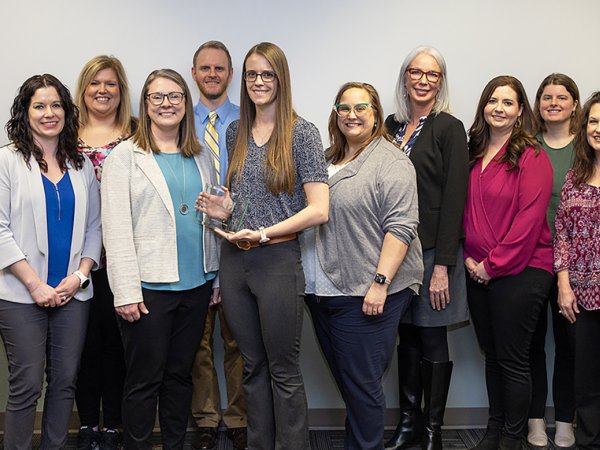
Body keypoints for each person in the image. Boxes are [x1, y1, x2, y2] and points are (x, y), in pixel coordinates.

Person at [198, 42, 329, 450]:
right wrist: (226, 210)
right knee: (252, 367)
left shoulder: (302, 132)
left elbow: (319, 209)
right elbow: (247, 207)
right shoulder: (236, 131)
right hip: (237, 261)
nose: (258, 82)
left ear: (281, 79)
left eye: (267, 74)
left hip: (277, 260)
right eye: (252, 74)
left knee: (283, 371)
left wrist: (265, 233)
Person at [101, 68, 220, 450]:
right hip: (148, 290)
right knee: (143, 381)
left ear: (186, 104)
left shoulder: (200, 155)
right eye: (158, 97)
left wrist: (215, 279)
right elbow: (115, 228)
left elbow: (208, 219)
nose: (167, 104)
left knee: (180, 376)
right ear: (146, 104)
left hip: (196, 285)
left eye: (175, 97)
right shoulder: (125, 156)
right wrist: (124, 291)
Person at [303, 81, 423, 450]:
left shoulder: (392, 162)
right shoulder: (325, 160)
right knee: (351, 384)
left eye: (361, 108)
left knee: (362, 386)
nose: (351, 115)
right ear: (335, 114)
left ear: (375, 115)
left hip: (364, 291)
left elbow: (401, 227)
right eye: (344, 108)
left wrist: (380, 283)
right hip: (323, 292)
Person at [0, 74, 102, 449]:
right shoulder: (7, 161)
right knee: (26, 384)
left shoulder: (81, 164)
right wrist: (34, 284)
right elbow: (0, 230)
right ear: (25, 113)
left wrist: (79, 276)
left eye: (56, 105)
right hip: (20, 294)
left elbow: (95, 227)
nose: (49, 113)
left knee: (64, 382)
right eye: (39, 106)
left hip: (72, 294)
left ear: (66, 110)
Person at [384, 46, 469, 450]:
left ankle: (432, 431)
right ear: (405, 78)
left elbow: (455, 198)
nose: (423, 80)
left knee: (433, 337)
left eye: (432, 74)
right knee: (406, 336)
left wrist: (443, 267)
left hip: (435, 251)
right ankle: (408, 425)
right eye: (416, 72)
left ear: (441, 82)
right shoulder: (389, 126)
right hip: (396, 251)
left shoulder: (449, 128)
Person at [464, 76, 554, 450]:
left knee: (514, 359)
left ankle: (512, 439)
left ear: (520, 112)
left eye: (508, 102)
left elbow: (529, 222)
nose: (498, 108)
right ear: (483, 106)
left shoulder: (532, 155)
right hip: (477, 269)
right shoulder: (473, 153)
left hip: (522, 270)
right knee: (493, 356)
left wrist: (491, 265)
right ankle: (495, 430)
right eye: (492, 101)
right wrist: (471, 259)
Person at [74, 54, 137, 450]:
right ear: (83, 89)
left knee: (117, 345)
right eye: (95, 83)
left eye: (111, 83)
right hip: (75, 258)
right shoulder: (65, 133)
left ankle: (113, 424)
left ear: (121, 91)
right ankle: (86, 426)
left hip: (121, 258)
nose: (102, 90)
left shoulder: (135, 134)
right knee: (81, 346)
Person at [189, 40, 246, 450]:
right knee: (198, 342)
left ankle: (240, 418)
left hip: (241, 243)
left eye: (219, 68)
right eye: (204, 68)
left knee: (238, 340)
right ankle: (206, 420)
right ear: (194, 73)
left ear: (230, 74)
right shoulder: (174, 118)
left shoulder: (249, 121)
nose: (212, 74)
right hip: (192, 243)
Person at [527, 73, 581, 450]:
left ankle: (564, 420)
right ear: (538, 104)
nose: (554, 102)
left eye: (562, 97)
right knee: (529, 345)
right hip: (530, 259)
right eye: (547, 97)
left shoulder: (587, 148)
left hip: (574, 266)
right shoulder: (527, 147)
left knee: (569, 346)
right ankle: (534, 420)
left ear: (575, 105)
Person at [554, 91, 600, 450]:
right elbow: (563, 234)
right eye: (595, 121)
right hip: (583, 295)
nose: (598, 129)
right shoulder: (576, 175)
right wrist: (564, 285)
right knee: (586, 381)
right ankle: (588, 441)